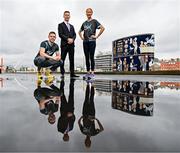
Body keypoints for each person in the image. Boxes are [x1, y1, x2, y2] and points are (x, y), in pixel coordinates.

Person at [79, 8, 105, 79]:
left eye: (90, 12)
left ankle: (92, 72)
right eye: (87, 12)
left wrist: (96, 36)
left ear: (92, 13)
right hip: (85, 42)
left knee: (91, 57)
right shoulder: (84, 23)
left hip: (92, 41)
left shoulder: (94, 21)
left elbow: (102, 28)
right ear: (86, 13)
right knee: (86, 57)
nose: (88, 13)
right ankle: (88, 72)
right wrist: (82, 38)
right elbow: (79, 31)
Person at [78, 83, 104, 148]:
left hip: (84, 113)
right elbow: (102, 129)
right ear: (90, 141)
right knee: (91, 98)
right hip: (91, 114)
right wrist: (96, 120)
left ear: (84, 141)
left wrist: (81, 117)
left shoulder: (83, 132)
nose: (87, 141)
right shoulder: (93, 133)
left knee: (86, 98)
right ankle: (92, 85)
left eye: (86, 142)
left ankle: (87, 84)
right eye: (88, 142)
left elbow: (79, 123)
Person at [58, 11, 79, 78]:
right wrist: (68, 39)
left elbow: (75, 34)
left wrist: (72, 39)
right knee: (62, 59)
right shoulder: (60, 25)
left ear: (69, 16)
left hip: (71, 45)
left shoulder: (72, 26)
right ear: (64, 16)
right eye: (66, 15)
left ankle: (72, 74)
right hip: (64, 45)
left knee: (72, 59)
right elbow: (60, 34)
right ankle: (62, 73)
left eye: (68, 15)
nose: (67, 16)